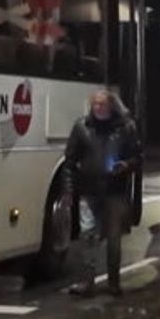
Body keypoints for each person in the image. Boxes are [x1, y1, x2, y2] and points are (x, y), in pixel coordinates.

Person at [63, 90, 141, 297]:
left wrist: (125, 165)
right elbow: (70, 160)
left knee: (113, 237)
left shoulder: (125, 128)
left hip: (115, 190)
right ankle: (87, 282)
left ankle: (113, 283)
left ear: (111, 106)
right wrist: (69, 190)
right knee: (88, 235)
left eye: (102, 104)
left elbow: (137, 156)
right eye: (95, 104)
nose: (98, 108)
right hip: (89, 190)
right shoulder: (82, 127)